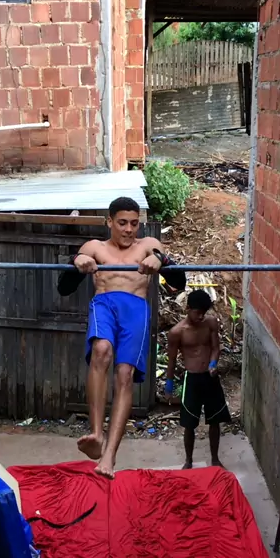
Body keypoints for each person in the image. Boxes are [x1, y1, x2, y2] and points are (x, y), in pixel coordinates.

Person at [57, 196, 186, 479]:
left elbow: (181, 281)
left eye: (134, 223)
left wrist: (161, 260)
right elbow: (63, 288)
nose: (129, 229)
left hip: (136, 309)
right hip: (104, 304)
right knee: (101, 350)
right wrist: (76, 261)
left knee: (125, 375)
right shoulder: (95, 247)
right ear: (109, 222)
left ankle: (110, 456)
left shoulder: (149, 245)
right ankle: (95, 433)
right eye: (123, 223)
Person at [165, 289, 231, 469]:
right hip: (192, 379)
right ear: (188, 309)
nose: (201, 316)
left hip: (210, 377)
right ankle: (188, 461)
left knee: (215, 420)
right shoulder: (177, 332)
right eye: (197, 312)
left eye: (204, 312)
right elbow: (171, 360)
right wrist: (169, 384)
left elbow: (215, 348)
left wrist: (213, 364)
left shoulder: (210, 323)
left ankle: (215, 459)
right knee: (189, 424)